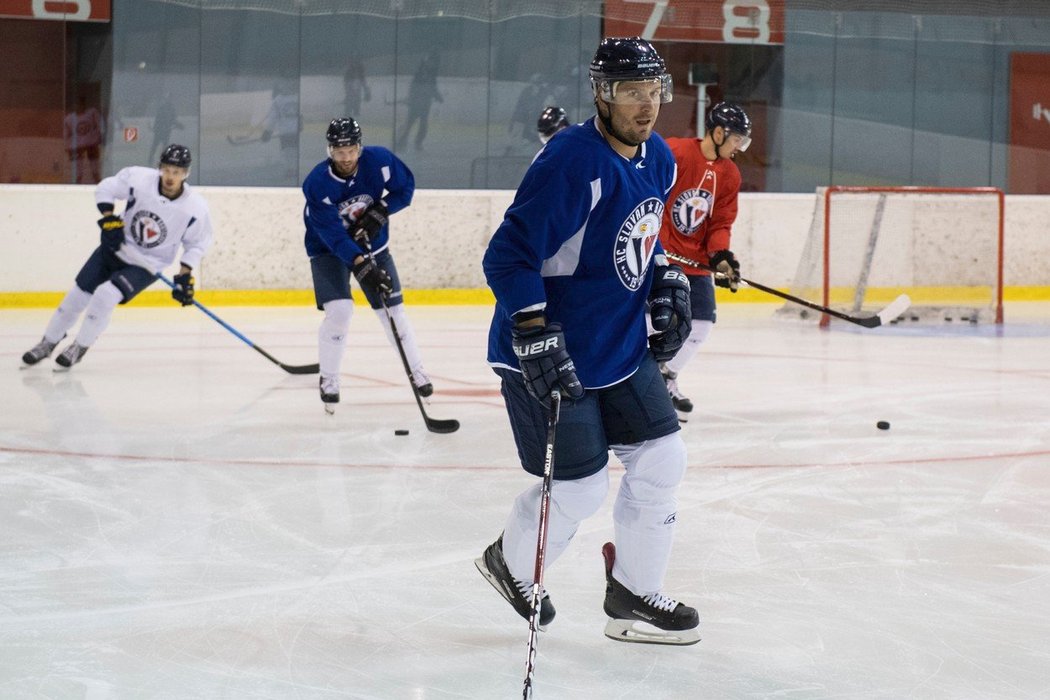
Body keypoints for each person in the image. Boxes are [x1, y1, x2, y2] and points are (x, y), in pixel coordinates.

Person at [476, 37, 700, 645]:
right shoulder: (571, 162)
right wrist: (530, 330)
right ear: (602, 94)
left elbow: (640, 241)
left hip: (617, 348)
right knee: (579, 487)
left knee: (661, 459)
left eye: (654, 91)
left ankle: (631, 591)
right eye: (631, 91)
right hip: (552, 352)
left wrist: (665, 277)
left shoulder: (659, 158)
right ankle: (513, 565)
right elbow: (507, 256)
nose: (646, 105)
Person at [21, 145, 213, 369]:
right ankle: (47, 343)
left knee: (105, 295)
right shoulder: (138, 179)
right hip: (115, 246)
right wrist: (109, 218)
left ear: (186, 174)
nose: (171, 177)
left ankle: (79, 347)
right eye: (167, 170)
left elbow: (197, 244)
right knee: (76, 296)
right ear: (160, 168)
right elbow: (105, 189)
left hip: (147, 264)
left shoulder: (195, 208)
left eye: (177, 172)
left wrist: (184, 274)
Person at [302, 117, 433, 413]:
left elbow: (406, 188)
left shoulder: (380, 161)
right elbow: (333, 234)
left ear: (359, 147)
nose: (345, 158)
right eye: (339, 151)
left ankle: (417, 371)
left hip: (376, 246)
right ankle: (329, 378)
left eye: (350, 150)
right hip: (327, 250)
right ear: (329, 151)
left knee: (394, 312)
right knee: (340, 311)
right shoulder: (317, 183)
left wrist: (382, 210)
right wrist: (361, 264)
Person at [657, 102, 751, 421]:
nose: (739, 147)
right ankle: (639, 384)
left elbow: (720, 222)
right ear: (719, 132)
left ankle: (665, 378)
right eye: (737, 139)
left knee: (702, 324)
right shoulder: (676, 152)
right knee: (655, 322)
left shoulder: (730, 174)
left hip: (695, 261)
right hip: (661, 255)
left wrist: (722, 258)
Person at [396, 52, 443, 152]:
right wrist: (412, 98)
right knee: (410, 123)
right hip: (416, 103)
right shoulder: (421, 72)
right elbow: (415, 87)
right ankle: (401, 141)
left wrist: (437, 96)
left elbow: (432, 87)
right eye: (432, 61)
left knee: (423, 124)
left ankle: (417, 142)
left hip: (425, 104)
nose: (433, 64)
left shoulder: (431, 73)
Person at [63, 95, 105, 184]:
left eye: (80, 104)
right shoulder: (69, 119)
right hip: (78, 147)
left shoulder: (92, 113)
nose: (78, 106)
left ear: (84, 105)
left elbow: (101, 126)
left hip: (92, 145)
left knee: (95, 170)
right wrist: (67, 146)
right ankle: (76, 187)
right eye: (76, 105)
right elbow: (66, 135)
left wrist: (100, 137)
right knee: (77, 173)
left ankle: (98, 184)